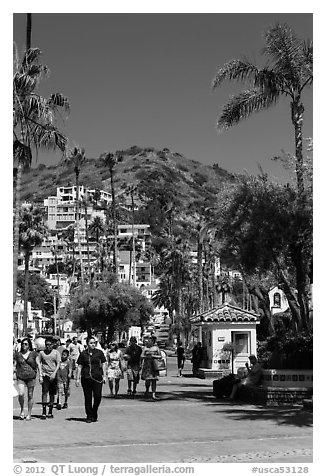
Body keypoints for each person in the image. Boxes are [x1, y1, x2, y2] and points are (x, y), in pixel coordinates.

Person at [76, 335, 107, 423]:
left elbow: (104, 363)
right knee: (88, 397)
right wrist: (77, 378)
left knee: (97, 396)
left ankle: (94, 411)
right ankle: (89, 415)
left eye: (94, 343)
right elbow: (79, 366)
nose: (93, 345)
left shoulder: (99, 353)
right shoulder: (83, 354)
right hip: (86, 377)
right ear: (87, 344)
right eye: (91, 343)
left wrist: (104, 375)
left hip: (97, 378)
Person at [13, 337, 38, 420]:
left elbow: (38, 364)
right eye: (23, 344)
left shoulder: (33, 354)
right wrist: (13, 372)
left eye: (26, 344)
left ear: (29, 345)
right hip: (21, 377)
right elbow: (15, 364)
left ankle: (29, 413)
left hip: (31, 377)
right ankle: (22, 410)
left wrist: (40, 374)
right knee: (21, 393)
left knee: (30, 395)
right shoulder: (18, 354)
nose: (24, 345)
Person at [36, 337, 61, 419]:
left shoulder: (56, 353)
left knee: (52, 393)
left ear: (52, 345)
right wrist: (40, 374)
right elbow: (38, 362)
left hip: (53, 374)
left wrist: (54, 373)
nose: (48, 347)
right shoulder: (42, 353)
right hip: (45, 374)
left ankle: (50, 411)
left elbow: (58, 364)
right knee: (44, 392)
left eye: (49, 345)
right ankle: (43, 411)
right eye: (46, 345)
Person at [141, 335, 161, 400]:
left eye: (151, 341)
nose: (149, 342)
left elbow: (160, 356)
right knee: (147, 380)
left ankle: (153, 394)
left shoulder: (156, 348)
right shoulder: (145, 348)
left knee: (154, 380)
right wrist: (146, 356)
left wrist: (153, 356)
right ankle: (147, 390)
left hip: (154, 365)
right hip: (147, 365)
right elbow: (141, 356)